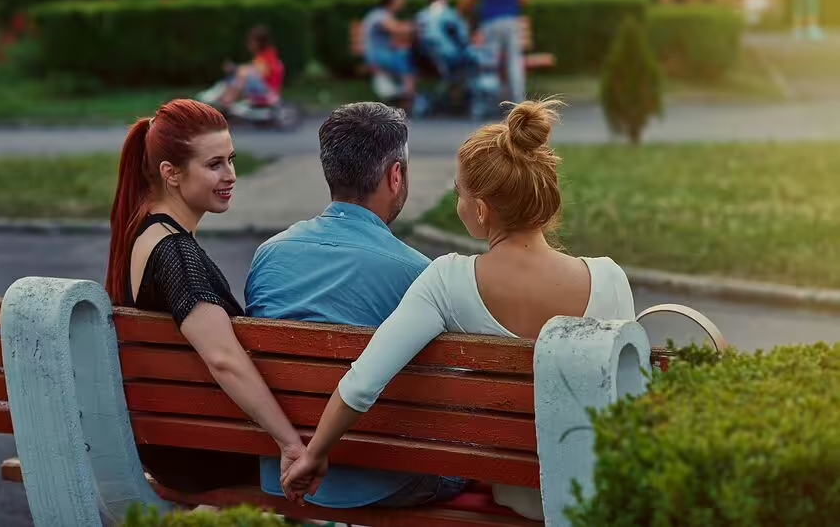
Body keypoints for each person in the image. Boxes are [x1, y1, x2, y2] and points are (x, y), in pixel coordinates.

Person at [280, 99, 636, 522]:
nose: (458, 204)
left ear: (482, 210)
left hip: (514, 492)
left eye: (459, 194)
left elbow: (361, 384)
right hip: (594, 494)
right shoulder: (610, 278)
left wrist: (314, 454)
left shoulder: (449, 280)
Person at [244, 102, 467, 509]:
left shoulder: (269, 256)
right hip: (385, 479)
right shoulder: (420, 274)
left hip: (284, 473)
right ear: (395, 175)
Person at [105, 99, 323, 494]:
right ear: (170, 173)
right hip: (203, 453)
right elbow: (223, 360)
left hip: (175, 439)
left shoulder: (141, 233)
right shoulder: (176, 254)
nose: (231, 175)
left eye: (231, 159)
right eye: (214, 164)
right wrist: (290, 444)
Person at [459, 0, 531, 103]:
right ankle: (519, 102)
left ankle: (491, 100)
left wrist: (468, 12)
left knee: (490, 61)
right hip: (512, 20)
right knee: (514, 62)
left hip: (491, 21)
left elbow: (466, 0)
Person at [361, 0, 420, 114]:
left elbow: (394, 37)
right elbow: (396, 29)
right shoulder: (379, 15)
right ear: (392, 0)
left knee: (405, 54)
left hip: (381, 53)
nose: (403, 2)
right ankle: (407, 99)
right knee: (405, 59)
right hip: (376, 56)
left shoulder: (384, 14)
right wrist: (416, 26)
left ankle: (404, 97)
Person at [213, 26, 285, 107]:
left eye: (250, 41)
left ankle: (226, 101)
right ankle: (225, 99)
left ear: (258, 42)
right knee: (238, 76)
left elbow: (260, 72)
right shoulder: (264, 55)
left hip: (268, 93)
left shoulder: (267, 56)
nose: (248, 44)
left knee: (243, 75)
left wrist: (235, 68)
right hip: (265, 90)